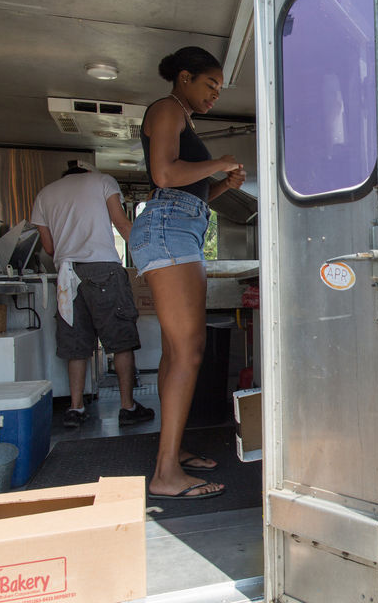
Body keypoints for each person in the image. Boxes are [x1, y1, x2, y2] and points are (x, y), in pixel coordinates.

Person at [129, 46, 246, 501]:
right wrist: (217, 162)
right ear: (183, 78)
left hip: (179, 224)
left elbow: (187, 189)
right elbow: (163, 174)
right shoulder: (166, 109)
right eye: (210, 85)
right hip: (167, 227)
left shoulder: (182, 115)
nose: (215, 94)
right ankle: (165, 474)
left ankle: (171, 454)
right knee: (189, 351)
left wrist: (218, 185)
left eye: (219, 88)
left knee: (178, 351)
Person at [31, 160, 154, 429]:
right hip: (104, 270)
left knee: (76, 344)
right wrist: (151, 258)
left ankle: (76, 408)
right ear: (87, 172)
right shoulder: (102, 180)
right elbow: (122, 224)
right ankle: (127, 407)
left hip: (66, 274)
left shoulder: (44, 194)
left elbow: (49, 248)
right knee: (121, 341)